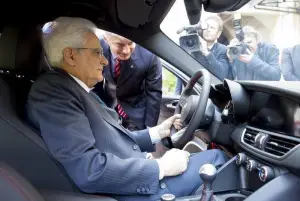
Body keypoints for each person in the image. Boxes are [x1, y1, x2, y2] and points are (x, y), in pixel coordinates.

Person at [27, 17, 228, 201]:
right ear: (70, 56)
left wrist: (156, 132)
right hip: (130, 190)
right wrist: (161, 167)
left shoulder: (73, 88)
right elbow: (88, 170)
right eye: (97, 52)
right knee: (217, 158)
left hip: (133, 175)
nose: (104, 60)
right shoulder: (53, 91)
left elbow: (111, 140)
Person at [93, 32, 162, 131]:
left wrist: (150, 128)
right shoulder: (96, 47)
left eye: (130, 43)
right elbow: (95, 82)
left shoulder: (149, 55)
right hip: (108, 108)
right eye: (119, 45)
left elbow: (154, 92)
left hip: (136, 112)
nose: (126, 51)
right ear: (106, 39)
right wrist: (100, 108)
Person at [175, 15, 230, 95]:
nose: (208, 30)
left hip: (210, 96)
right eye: (206, 27)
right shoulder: (192, 45)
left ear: (218, 34)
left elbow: (221, 74)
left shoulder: (223, 50)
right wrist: (177, 94)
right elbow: (182, 70)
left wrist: (206, 53)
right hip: (190, 94)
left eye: (212, 28)